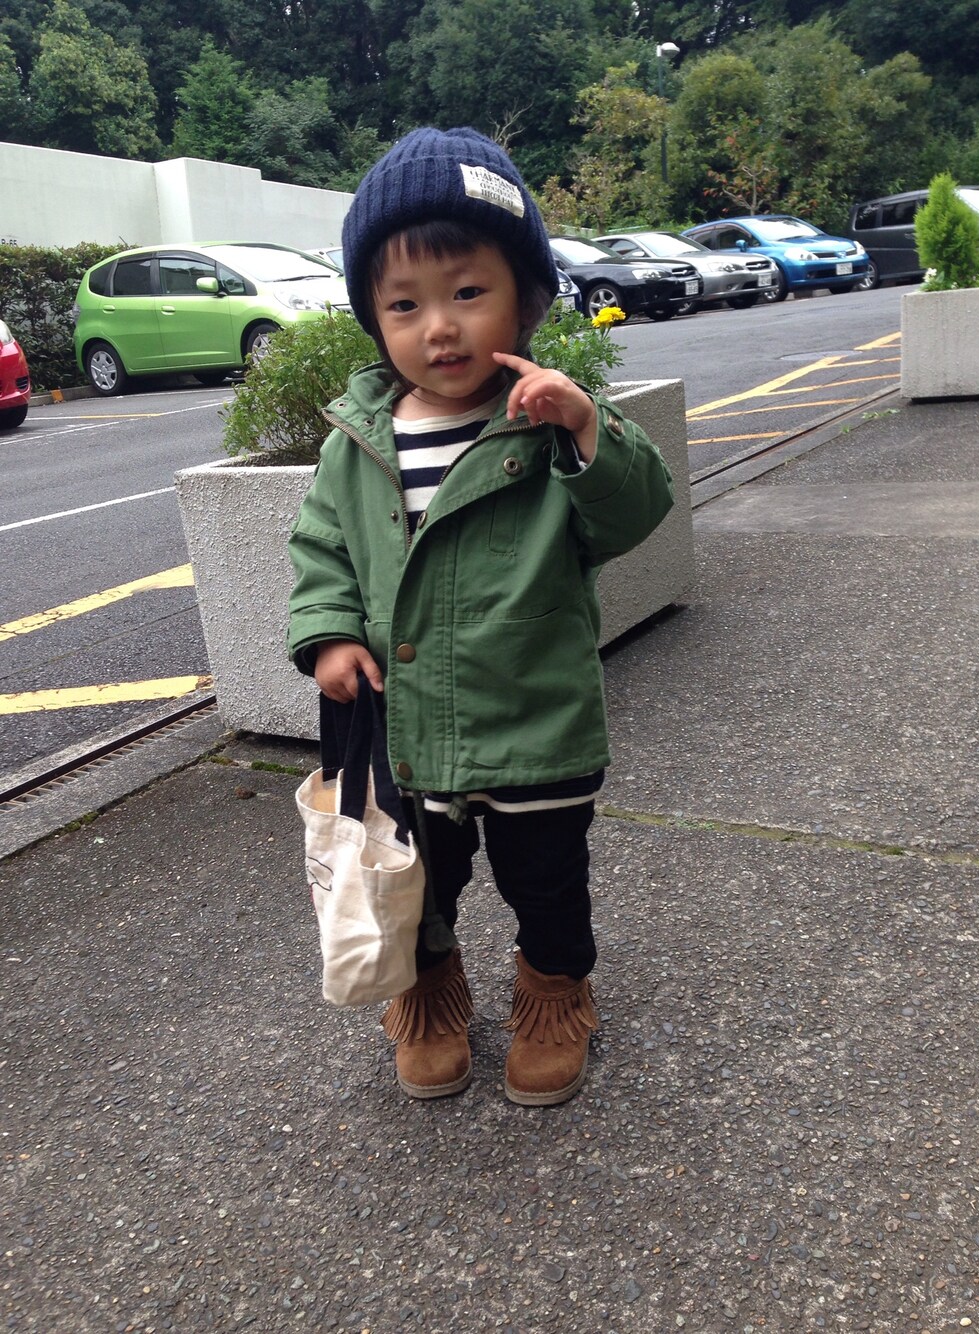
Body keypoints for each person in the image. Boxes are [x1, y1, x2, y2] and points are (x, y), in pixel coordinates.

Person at [287, 127, 673, 1107]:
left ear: (525, 298)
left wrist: (586, 427)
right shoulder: (359, 441)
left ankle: (555, 990)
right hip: (409, 730)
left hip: (535, 721)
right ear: (374, 318)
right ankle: (426, 989)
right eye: (404, 304)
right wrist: (330, 633)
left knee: (548, 882)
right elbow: (323, 546)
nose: (440, 328)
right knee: (421, 885)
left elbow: (632, 513)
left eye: (467, 292)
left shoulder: (543, 420)